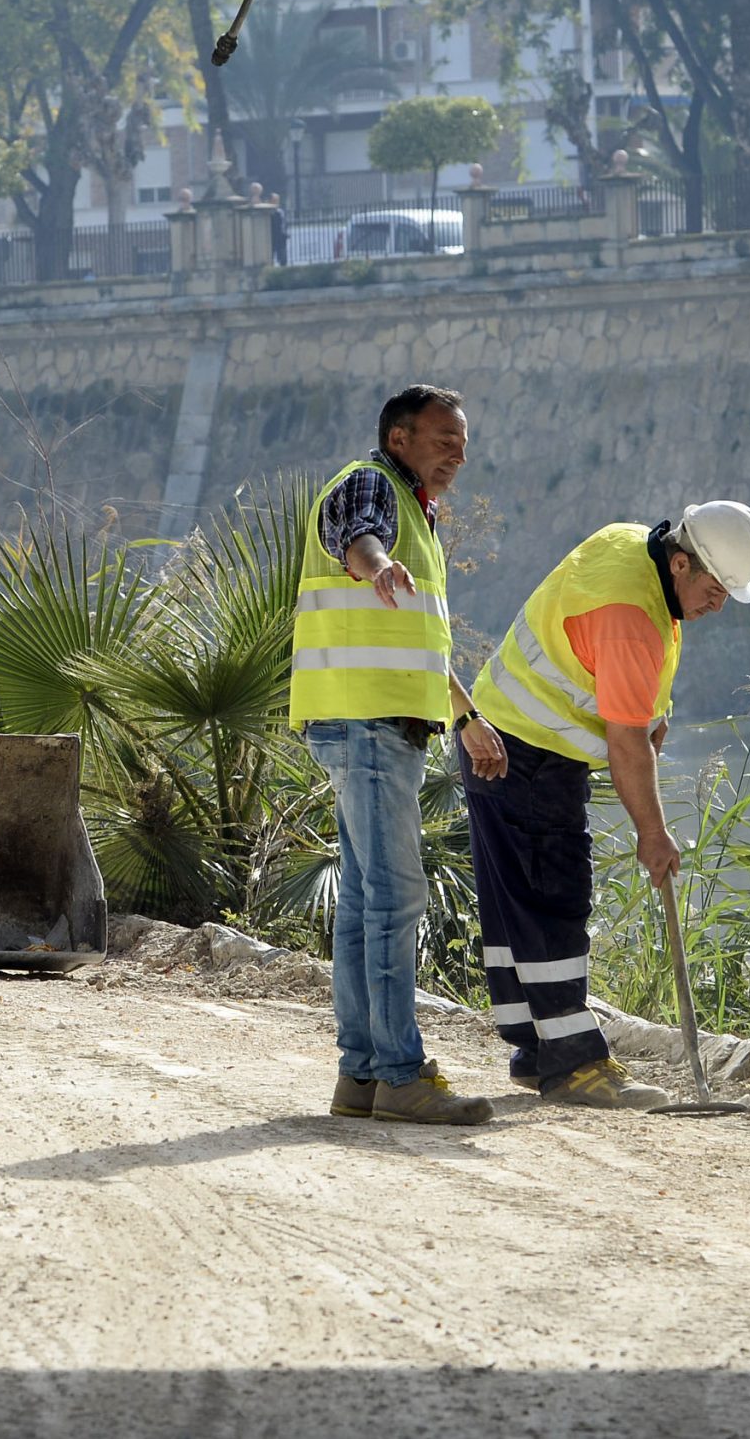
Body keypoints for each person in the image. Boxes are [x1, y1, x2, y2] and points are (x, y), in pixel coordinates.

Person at [464, 500, 750, 1109]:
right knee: (554, 896)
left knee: (517, 903)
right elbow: (626, 741)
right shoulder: (631, 612)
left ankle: (537, 1049)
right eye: (714, 589)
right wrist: (652, 834)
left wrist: (653, 711)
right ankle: (575, 1066)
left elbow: (621, 677)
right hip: (528, 751)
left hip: (503, 734)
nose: (718, 605)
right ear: (680, 562)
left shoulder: (633, 545)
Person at [295, 384, 509, 1128]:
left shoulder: (415, 514)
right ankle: (399, 1072)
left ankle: (361, 1075)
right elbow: (357, 537)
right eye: (441, 438)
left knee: (363, 901)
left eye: (463, 441)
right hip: (370, 725)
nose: (457, 452)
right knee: (393, 898)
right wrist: (375, 564)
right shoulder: (371, 487)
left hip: (369, 723)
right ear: (397, 437)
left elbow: (417, 640)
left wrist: (467, 715)